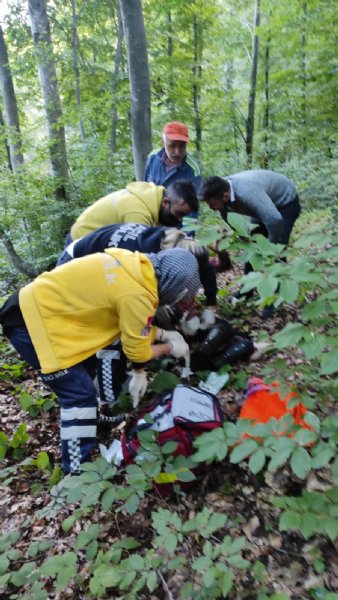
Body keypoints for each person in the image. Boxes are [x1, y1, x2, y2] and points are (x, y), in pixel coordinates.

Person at [0, 248, 201, 474]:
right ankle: (75, 472)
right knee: (79, 395)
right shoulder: (137, 292)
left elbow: (130, 323)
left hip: (51, 314)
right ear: (173, 285)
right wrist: (171, 347)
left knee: (88, 367)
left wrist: (162, 335)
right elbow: (137, 352)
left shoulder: (134, 267)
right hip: (31, 322)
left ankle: (93, 421)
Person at [57, 223, 217, 328]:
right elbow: (137, 301)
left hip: (102, 260)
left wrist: (210, 305)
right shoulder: (142, 257)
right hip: (77, 259)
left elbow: (207, 269)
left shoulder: (185, 246)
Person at [200, 170, 301, 318]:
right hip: (264, 206)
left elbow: (274, 220)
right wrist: (244, 238)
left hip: (284, 203)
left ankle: (273, 301)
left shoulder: (247, 192)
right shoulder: (222, 193)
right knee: (252, 249)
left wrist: (270, 246)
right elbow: (229, 217)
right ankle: (247, 290)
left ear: (225, 196)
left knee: (276, 252)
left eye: (212, 204)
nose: (211, 208)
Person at [70, 180, 198, 241]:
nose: (179, 220)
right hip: (82, 239)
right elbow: (137, 257)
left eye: (183, 216)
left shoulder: (153, 203)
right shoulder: (138, 213)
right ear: (165, 202)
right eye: (179, 214)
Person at [144, 121, 201, 219]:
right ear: (163, 142)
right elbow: (144, 190)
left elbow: (192, 209)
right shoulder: (153, 158)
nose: (177, 152)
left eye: (182, 146)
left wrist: (186, 234)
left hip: (176, 225)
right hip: (152, 220)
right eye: (172, 145)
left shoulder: (192, 169)